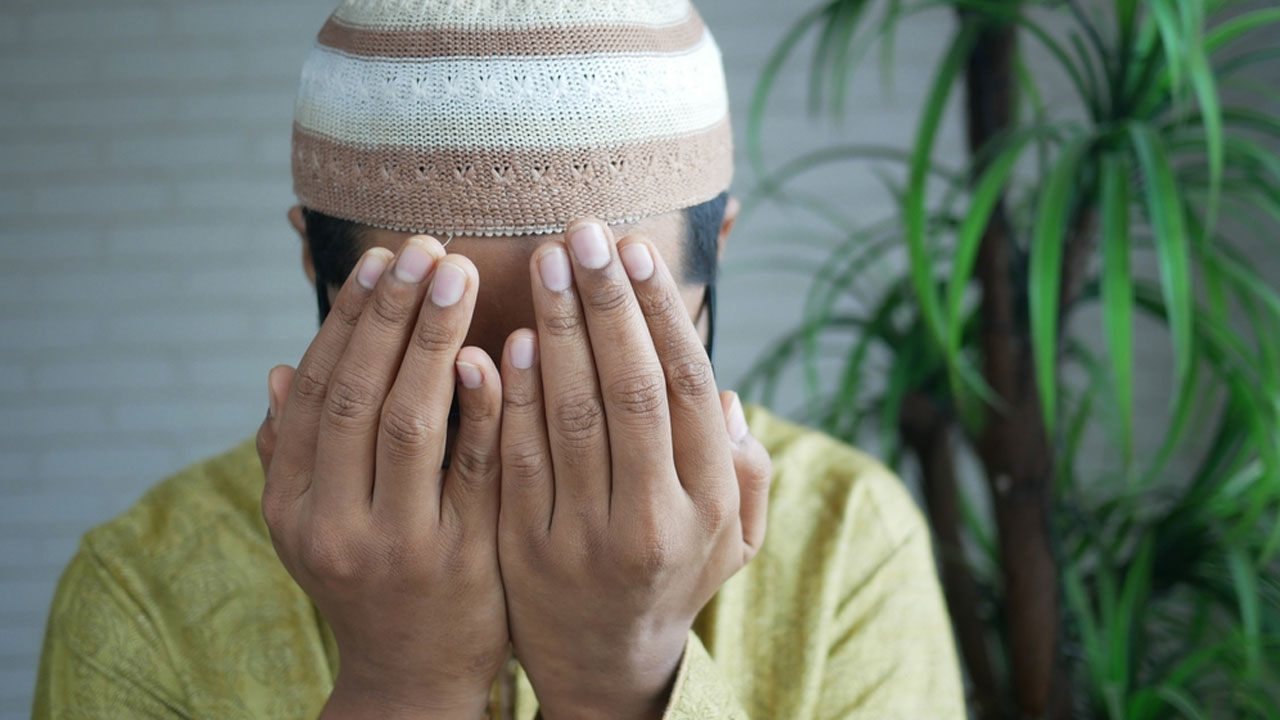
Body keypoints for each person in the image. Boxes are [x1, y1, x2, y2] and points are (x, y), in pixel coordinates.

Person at [33, 1, 966, 717]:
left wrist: (620, 679)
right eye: (441, 360)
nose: (524, 428)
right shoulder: (144, 590)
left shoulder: (848, 546)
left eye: (602, 346)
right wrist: (403, 685)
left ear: (717, 253)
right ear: (317, 269)